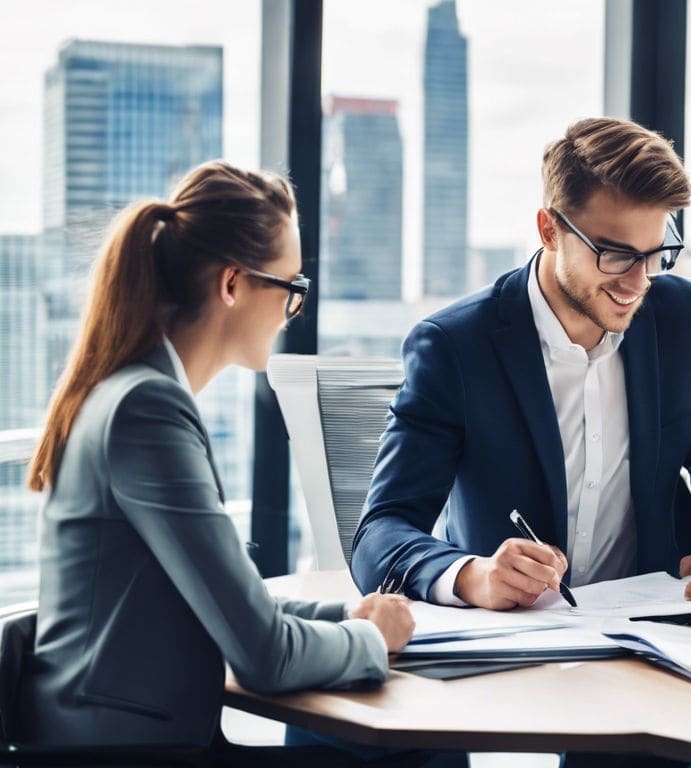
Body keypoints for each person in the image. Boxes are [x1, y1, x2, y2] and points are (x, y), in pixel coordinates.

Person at [22, 161, 416, 757]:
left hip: (141, 734)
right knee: (411, 750)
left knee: (384, 745)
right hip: (125, 751)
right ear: (232, 284)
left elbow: (233, 604)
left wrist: (347, 612)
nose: (296, 312)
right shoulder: (147, 409)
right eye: (292, 288)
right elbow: (265, 656)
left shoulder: (138, 392)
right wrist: (369, 637)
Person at [352, 117, 691, 611]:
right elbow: (380, 532)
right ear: (549, 230)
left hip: (662, 628)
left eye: (656, 253)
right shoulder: (454, 347)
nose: (637, 282)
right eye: (615, 255)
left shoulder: (683, 318)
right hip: (520, 646)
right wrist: (472, 575)